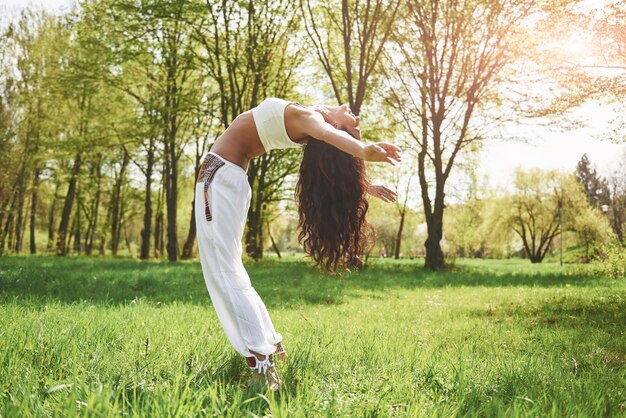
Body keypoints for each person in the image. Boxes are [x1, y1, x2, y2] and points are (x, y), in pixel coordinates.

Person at [195, 97, 401, 391]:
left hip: (220, 177)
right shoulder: (310, 122)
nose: (357, 118)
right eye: (357, 125)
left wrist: (364, 151)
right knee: (232, 271)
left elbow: (332, 136)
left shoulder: (312, 121)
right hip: (230, 179)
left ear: (337, 125)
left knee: (223, 273)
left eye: (354, 125)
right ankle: (271, 347)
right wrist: (365, 180)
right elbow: (332, 146)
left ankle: (262, 365)